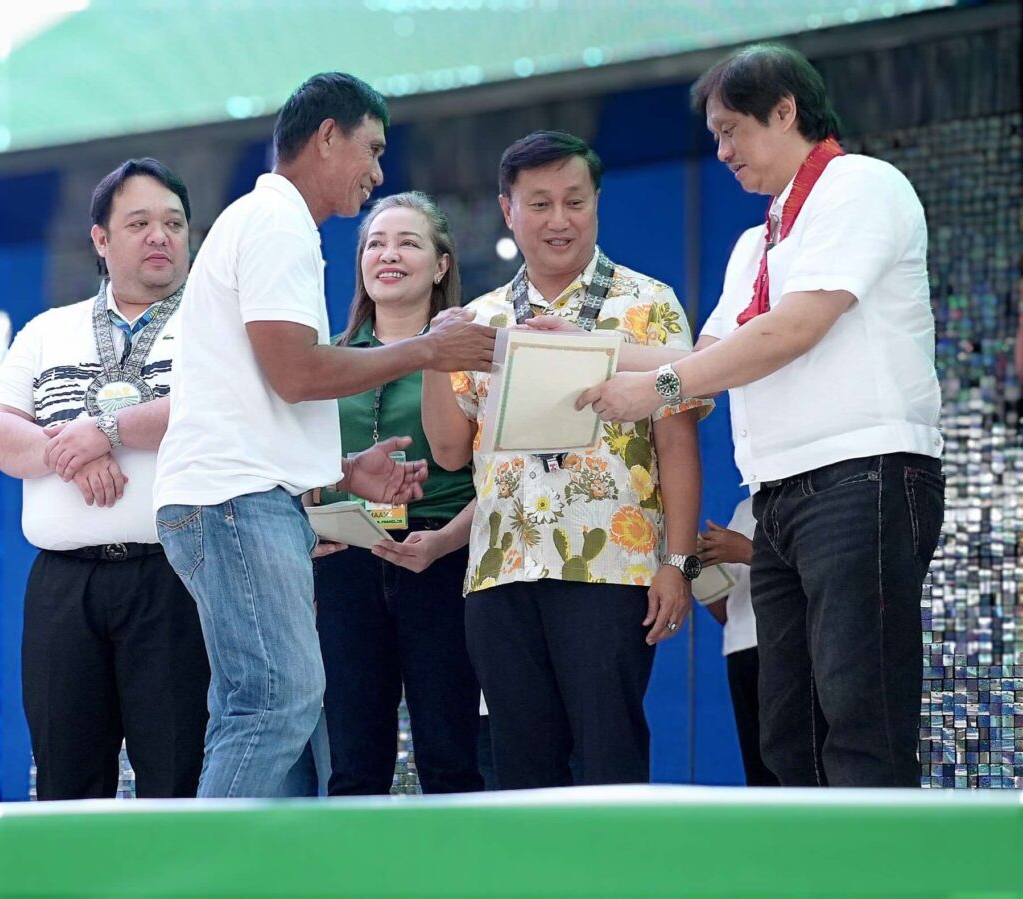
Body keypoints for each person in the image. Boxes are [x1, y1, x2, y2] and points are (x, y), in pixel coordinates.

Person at [578, 44, 945, 787]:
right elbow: (711, 349)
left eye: (731, 130)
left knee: (859, 718)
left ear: (786, 111)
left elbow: (795, 327)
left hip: (862, 476)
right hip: (775, 499)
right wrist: (578, 348)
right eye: (714, 136)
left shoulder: (858, 185)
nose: (721, 152)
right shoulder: (758, 239)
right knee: (785, 732)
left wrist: (663, 389)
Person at [152, 73, 495, 799]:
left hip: (234, 496)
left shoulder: (269, 224)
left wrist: (340, 470)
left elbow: (256, 393)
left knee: (254, 703)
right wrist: (427, 351)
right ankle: (203, 871)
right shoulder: (277, 223)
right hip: (236, 501)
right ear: (326, 137)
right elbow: (296, 372)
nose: (377, 171)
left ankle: (211, 866)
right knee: (279, 699)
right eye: (370, 150)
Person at [422, 130, 712, 790]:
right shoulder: (482, 317)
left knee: (611, 754)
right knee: (521, 765)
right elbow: (446, 448)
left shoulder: (648, 303)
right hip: (500, 571)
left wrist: (679, 561)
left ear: (597, 202)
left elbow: (677, 442)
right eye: (541, 203)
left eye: (575, 201)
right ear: (508, 210)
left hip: (612, 566)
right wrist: (438, 354)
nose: (560, 220)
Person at [0, 158, 209, 799]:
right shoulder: (46, 331)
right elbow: (5, 433)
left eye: (173, 223)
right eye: (139, 222)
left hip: (178, 575)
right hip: (65, 584)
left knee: (176, 775)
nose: (160, 236)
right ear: (100, 239)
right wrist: (80, 453)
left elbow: (209, 414)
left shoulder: (215, 326)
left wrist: (106, 431)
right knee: (65, 776)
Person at [312, 191, 482, 795]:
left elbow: (500, 477)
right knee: (353, 763)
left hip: (444, 556)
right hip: (345, 567)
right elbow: (295, 472)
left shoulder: (473, 357)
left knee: (451, 756)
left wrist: (444, 542)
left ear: (440, 266)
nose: (389, 254)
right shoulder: (324, 359)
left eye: (408, 243)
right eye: (375, 244)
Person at [698, 496, 779, 787]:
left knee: (794, 756)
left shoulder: (810, 498)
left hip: (790, 648)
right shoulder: (744, 509)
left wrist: (747, 551)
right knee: (758, 764)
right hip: (741, 649)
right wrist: (697, 568)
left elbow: (810, 572)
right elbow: (724, 610)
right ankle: (769, 831)